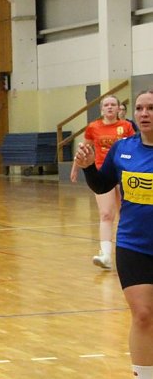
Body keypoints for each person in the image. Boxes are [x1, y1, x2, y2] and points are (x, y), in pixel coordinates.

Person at [75, 89, 153, 379]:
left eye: (150, 107)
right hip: (134, 246)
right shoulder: (124, 148)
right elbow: (102, 184)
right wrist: (90, 166)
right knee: (143, 316)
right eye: (139, 108)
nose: (144, 113)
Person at [70, 95, 135, 269]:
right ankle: (105, 254)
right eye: (106, 105)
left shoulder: (126, 127)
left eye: (113, 104)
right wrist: (76, 167)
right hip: (102, 173)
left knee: (126, 214)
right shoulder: (93, 127)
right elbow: (84, 148)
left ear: (119, 108)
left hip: (123, 174)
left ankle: (128, 251)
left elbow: (135, 147)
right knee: (106, 214)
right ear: (101, 109)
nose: (110, 107)